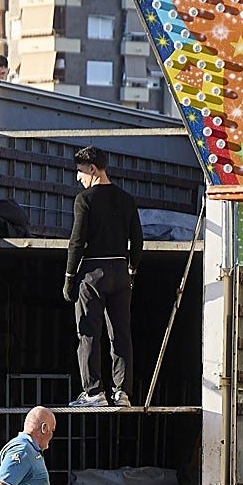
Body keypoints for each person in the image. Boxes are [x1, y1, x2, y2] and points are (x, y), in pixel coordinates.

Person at [63, 145, 145, 407]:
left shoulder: (84, 200)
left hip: (92, 272)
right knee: (121, 332)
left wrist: (69, 276)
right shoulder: (126, 199)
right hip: (121, 271)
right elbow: (138, 240)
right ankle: (122, 392)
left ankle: (93, 392)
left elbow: (76, 241)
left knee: (88, 331)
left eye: (80, 172)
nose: (78, 177)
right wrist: (132, 268)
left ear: (92, 170)